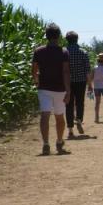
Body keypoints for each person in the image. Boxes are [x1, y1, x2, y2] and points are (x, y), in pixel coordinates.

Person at [31, 23, 71, 155]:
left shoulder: (38, 51)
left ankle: (46, 144)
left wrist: (37, 81)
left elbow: (34, 69)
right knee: (59, 117)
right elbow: (66, 72)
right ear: (59, 36)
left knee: (45, 116)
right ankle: (59, 142)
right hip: (60, 89)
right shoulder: (64, 52)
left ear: (46, 36)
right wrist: (68, 90)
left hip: (44, 88)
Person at [64, 31, 92, 139]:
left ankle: (70, 130)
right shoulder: (83, 52)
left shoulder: (64, 52)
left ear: (67, 40)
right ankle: (79, 119)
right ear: (77, 39)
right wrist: (90, 84)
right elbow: (87, 70)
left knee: (69, 105)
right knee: (80, 102)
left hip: (67, 82)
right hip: (81, 82)